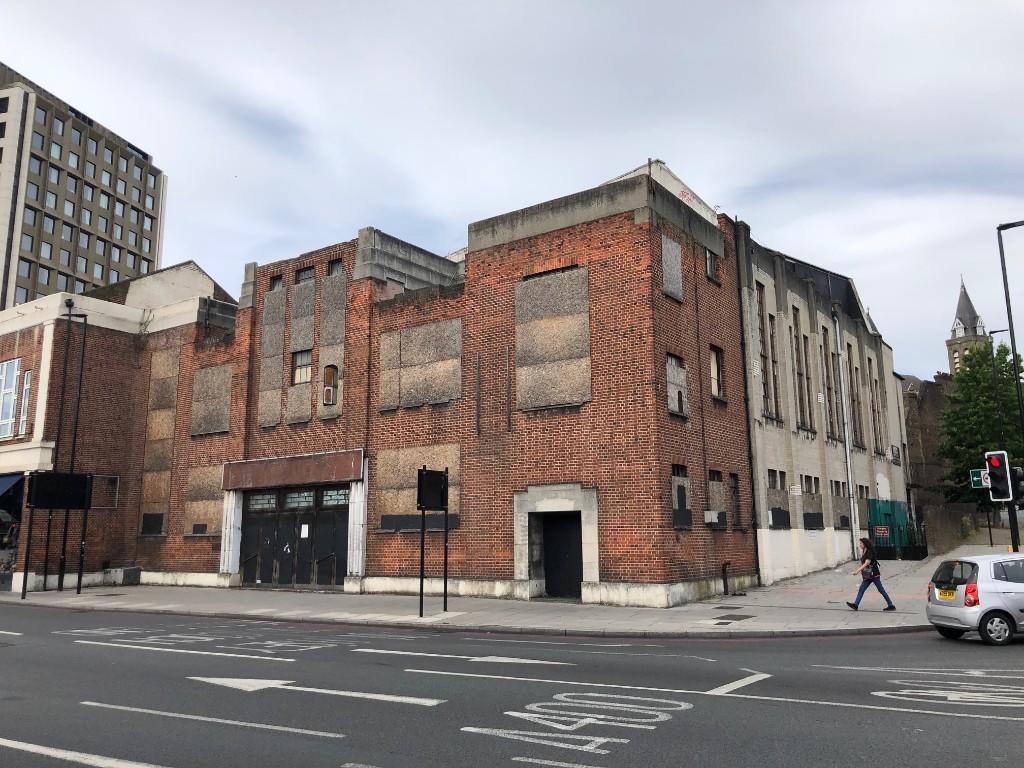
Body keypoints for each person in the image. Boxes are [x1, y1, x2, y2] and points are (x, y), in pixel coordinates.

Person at [847, 537, 895, 611]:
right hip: (868, 575)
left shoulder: (869, 551)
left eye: (861, 543)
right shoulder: (864, 551)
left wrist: (857, 571)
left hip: (874, 574)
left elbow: (867, 562)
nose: (860, 545)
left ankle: (890, 605)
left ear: (865, 544)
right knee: (861, 589)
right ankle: (856, 605)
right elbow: (863, 563)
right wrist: (858, 569)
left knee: (881, 590)